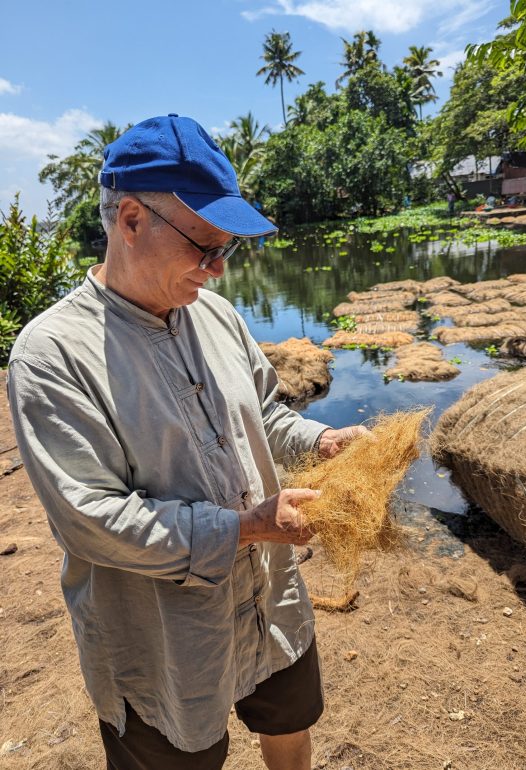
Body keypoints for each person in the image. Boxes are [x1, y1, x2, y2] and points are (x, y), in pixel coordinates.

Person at [7, 114, 366, 770]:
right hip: (161, 637)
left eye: (226, 249)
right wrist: (248, 526)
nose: (218, 270)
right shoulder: (52, 355)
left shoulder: (218, 316)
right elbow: (94, 522)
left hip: (267, 601)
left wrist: (322, 441)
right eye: (204, 246)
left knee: (289, 717)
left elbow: (261, 412)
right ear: (133, 221)